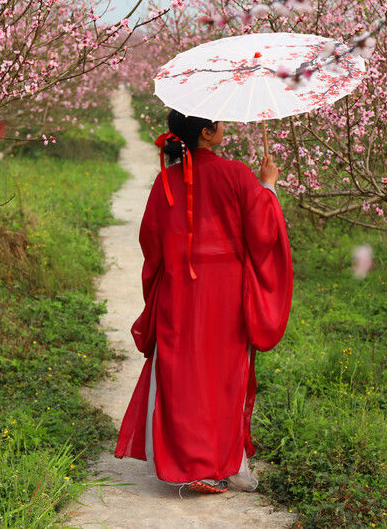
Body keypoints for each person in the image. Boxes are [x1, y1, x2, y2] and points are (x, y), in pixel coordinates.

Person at [114, 109, 293, 494]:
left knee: (182, 374)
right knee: (228, 377)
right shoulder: (237, 174)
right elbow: (263, 233)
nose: (225, 127)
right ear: (208, 134)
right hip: (227, 294)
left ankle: (185, 462)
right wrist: (269, 186)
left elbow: (151, 243)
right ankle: (230, 465)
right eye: (220, 123)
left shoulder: (165, 181)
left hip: (180, 291)